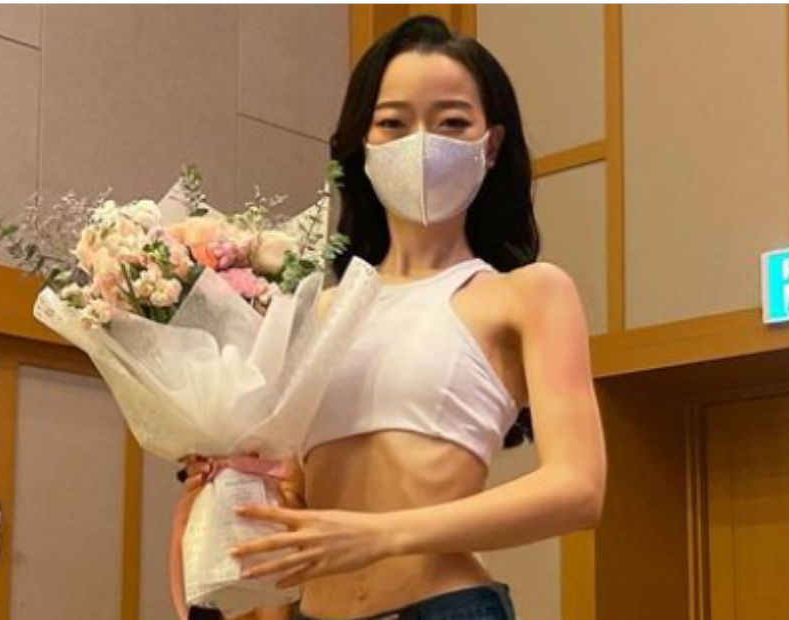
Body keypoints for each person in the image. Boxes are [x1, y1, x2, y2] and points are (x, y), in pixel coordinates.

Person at [181, 14, 606, 620]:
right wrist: (231, 476)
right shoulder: (316, 310)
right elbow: (295, 497)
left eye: (452, 122)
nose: (422, 142)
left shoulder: (527, 294)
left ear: (490, 146)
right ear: (363, 143)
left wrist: (381, 534)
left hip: (443, 606)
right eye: (393, 123)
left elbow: (578, 489)